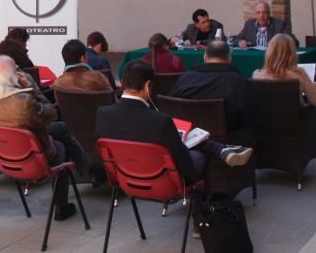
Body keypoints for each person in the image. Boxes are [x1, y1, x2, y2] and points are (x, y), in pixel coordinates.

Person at [0, 56, 107, 221]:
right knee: (61, 147)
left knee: (62, 128)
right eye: (16, 70)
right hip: (33, 158)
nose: (20, 73)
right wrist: (31, 88)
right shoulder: (23, 102)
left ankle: (91, 168)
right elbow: (51, 113)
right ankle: (62, 207)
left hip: (3, 156)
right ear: (10, 77)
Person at [96, 60, 253, 191]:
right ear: (148, 85)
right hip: (161, 180)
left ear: (122, 83)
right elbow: (183, 162)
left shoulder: (102, 113)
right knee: (199, 155)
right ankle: (201, 219)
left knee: (182, 140)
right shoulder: (159, 120)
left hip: (124, 176)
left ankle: (221, 150)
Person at [169, 40, 256, 131]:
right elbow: (250, 116)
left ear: (205, 58)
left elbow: (171, 105)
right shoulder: (239, 81)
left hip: (190, 136)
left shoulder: (186, 78)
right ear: (229, 59)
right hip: (229, 138)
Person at [252, 34, 316, 107]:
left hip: (266, 117)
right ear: (292, 53)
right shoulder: (299, 74)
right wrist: (315, 90)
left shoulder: (257, 74)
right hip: (297, 116)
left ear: (269, 52)